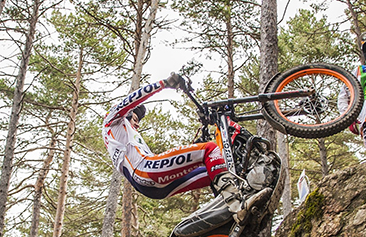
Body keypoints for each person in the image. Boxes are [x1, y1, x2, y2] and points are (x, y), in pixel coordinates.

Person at [102, 81, 269, 222]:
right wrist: (164, 84)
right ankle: (238, 206)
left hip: (152, 187)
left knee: (216, 170)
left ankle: (229, 219)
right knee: (210, 149)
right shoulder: (113, 120)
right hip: (146, 170)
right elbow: (132, 99)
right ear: (127, 114)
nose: (137, 124)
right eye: (135, 119)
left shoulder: (122, 137)